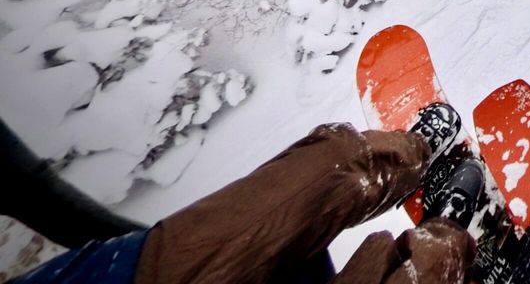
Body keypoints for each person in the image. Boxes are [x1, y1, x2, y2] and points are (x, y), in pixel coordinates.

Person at [12, 104, 482, 284]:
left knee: (327, 168)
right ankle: (447, 233)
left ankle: (414, 155)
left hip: (134, 274)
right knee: (413, 276)